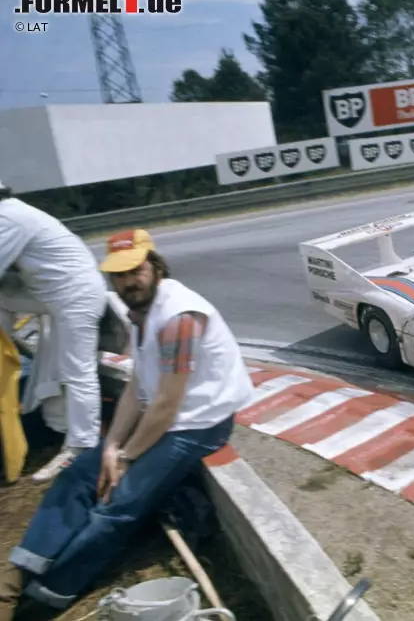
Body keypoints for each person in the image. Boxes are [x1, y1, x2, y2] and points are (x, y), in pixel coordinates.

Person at [1, 229, 254, 618]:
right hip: (164, 419)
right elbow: (138, 387)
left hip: (198, 425)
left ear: (155, 265)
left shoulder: (179, 317)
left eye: (135, 271)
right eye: (118, 275)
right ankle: (16, 578)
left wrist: (126, 458)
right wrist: (112, 446)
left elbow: (167, 403)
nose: (127, 282)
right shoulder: (140, 312)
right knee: (76, 477)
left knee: (117, 507)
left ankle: (48, 597)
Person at [0, 179, 108, 482]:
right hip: (52, 295)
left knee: (78, 371)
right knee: (2, 297)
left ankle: (82, 446)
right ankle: (5, 363)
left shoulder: (8, 218)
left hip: (77, 296)